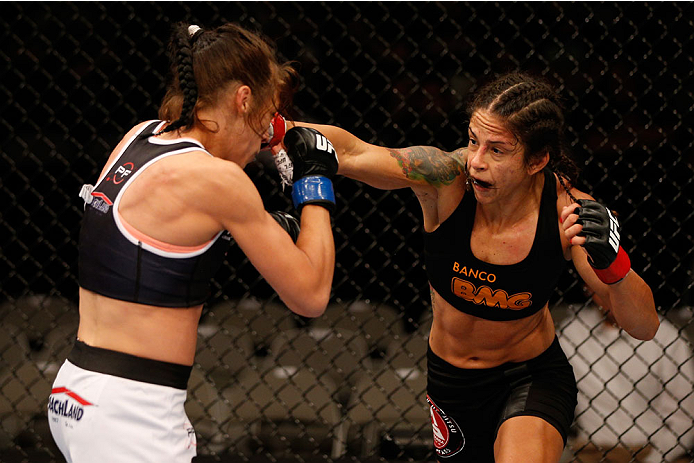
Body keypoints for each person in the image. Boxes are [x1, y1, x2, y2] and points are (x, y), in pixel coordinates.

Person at [270, 72, 659, 462]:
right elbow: (354, 152)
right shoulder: (445, 179)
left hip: (529, 376)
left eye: (497, 150)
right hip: (450, 382)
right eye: (474, 141)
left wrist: (615, 266)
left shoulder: (566, 213)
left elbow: (644, 326)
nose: (476, 162)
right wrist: (270, 127)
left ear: (536, 160)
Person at [48, 22, 338, 463]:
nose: (266, 136)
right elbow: (311, 295)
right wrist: (315, 182)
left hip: (77, 389)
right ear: (243, 99)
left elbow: (152, 242)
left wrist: (261, 225)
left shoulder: (140, 136)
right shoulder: (218, 180)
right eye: (267, 116)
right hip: (130, 412)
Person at [559, 301, 694, 462]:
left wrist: (656, 459)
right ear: (588, 288)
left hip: (654, 449)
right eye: (602, 280)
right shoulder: (570, 334)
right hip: (591, 450)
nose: (611, 293)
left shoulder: (666, 336)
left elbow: (685, 417)